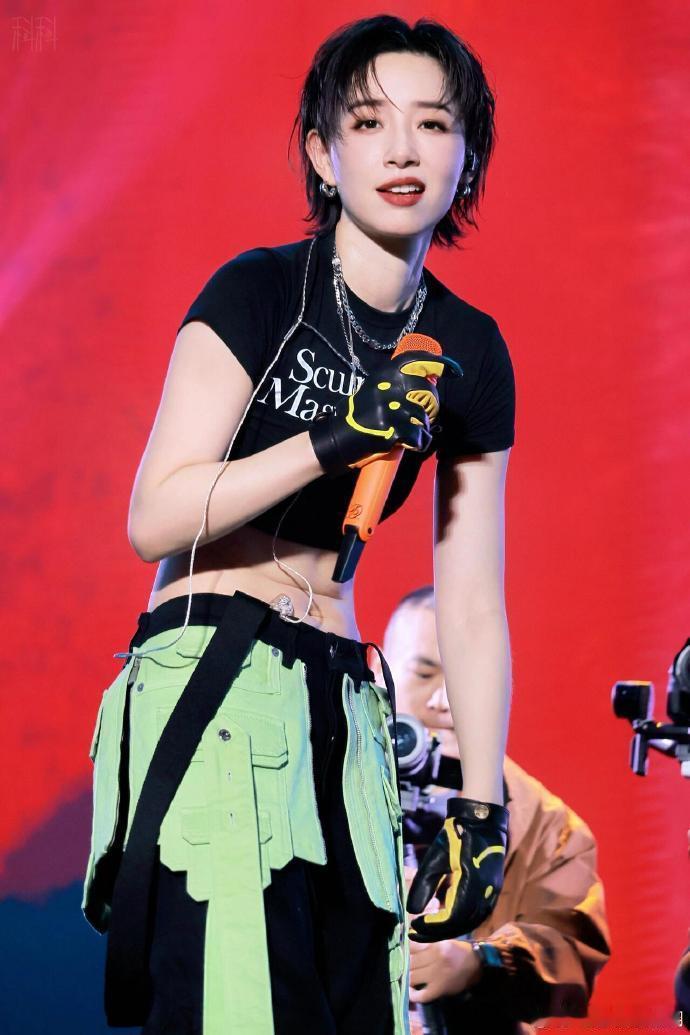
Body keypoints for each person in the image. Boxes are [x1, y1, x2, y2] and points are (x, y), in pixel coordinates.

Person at [81, 15, 516, 1035]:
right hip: (213, 687)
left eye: (433, 123)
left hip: (343, 710)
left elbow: (471, 601)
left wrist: (483, 804)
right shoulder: (261, 289)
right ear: (324, 153)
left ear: (467, 155)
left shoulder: (470, 348)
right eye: (368, 122)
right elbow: (155, 515)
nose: (402, 149)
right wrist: (335, 436)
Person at [371, 586, 611, 1034]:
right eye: (424, 674)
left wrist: (477, 964)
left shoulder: (545, 822)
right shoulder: (320, 781)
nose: (445, 701)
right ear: (377, 670)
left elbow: (572, 950)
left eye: (466, 678)